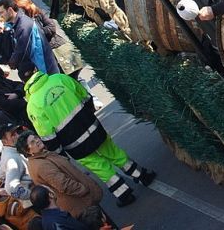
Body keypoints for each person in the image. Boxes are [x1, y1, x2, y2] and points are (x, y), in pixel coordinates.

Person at [24, 71, 155, 207]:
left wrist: (60, 154)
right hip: (93, 128)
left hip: (75, 144)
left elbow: (48, 135)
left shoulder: (33, 106)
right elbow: (85, 96)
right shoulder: (59, 78)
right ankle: (143, 176)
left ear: (25, 84)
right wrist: (89, 115)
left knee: (100, 168)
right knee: (115, 154)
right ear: (36, 72)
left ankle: (124, 194)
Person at [0, 0, 59, 80]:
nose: (1, 16)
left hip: (46, 67)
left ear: (10, 10)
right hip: (41, 66)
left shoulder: (23, 25)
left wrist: (12, 63)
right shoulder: (17, 24)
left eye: (2, 12)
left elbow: (21, 49)